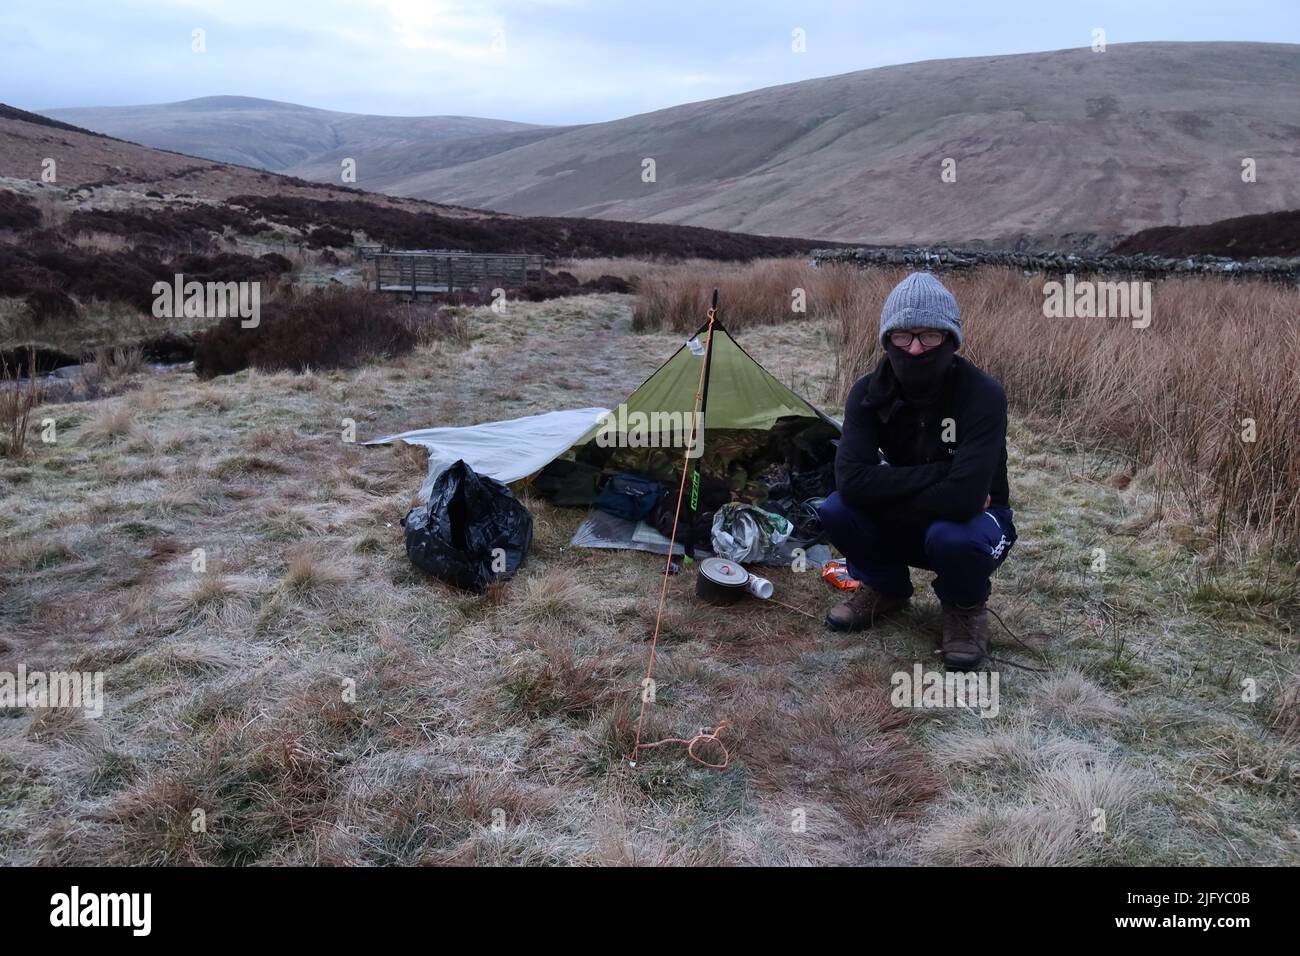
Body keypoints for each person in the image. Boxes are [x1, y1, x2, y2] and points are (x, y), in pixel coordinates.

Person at [818, 272, 1015, 669]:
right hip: (930, 514)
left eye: (930, 336)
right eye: (903, 336)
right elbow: (852, 483)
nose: (915, 349)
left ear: (951, 340)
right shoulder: (867, 394)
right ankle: (886, 588)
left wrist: (887, 489)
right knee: (836, 510)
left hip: (979, 523)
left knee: (952, 535)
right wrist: (943, 472)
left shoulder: (983, 395)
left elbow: (963, 504)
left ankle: (965, 608)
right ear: (887, 339)